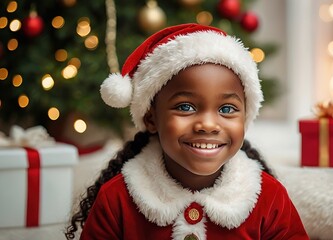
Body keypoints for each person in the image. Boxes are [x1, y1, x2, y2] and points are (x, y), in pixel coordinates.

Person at [65, 23, 309, 240]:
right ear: (151, 118)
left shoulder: (269, 197)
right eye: (185, 107)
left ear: (245, 118)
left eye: (226, 108)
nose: (208, 125)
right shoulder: (117, 198)